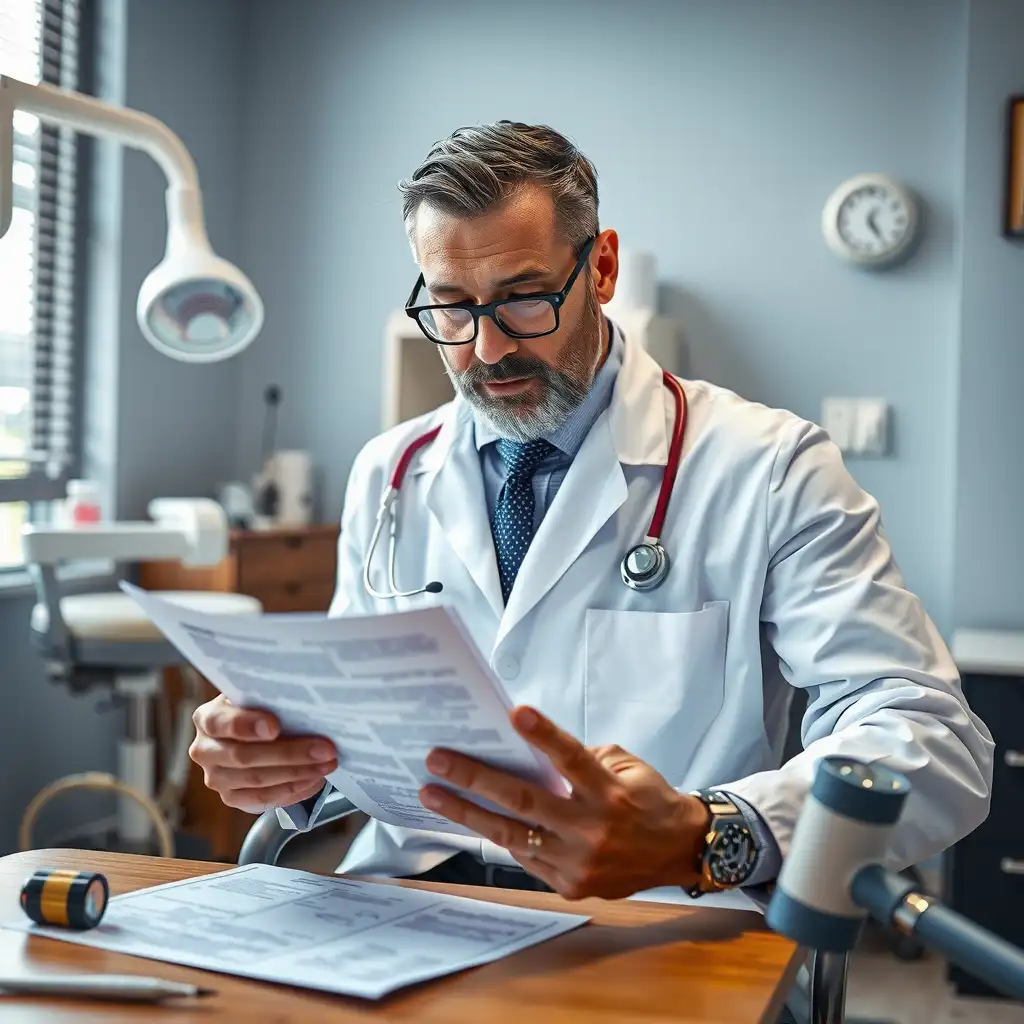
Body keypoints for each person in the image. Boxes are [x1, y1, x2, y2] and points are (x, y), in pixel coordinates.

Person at [189, 121, 993, 901]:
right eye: (452, 308)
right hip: (412, 901)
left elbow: (932, 737)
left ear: (601, 270)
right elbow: (361, 736)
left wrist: (703, 833)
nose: (488, 348)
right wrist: (285, 764)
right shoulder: (389, 472)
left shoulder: (771, 467)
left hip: (653, 913)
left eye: (525, 298)